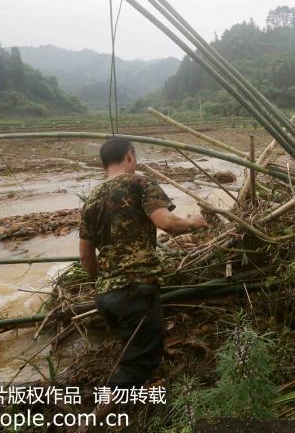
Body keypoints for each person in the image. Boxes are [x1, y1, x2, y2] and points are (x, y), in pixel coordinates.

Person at [78, 138, 207, 388]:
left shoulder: (91, 199)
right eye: (134, 158)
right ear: (129, 156)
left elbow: (85, 257)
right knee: (134, 369)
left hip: (106, 298)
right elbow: (166, 222)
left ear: (104, 163)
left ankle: (133, 398)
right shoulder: (140, 182)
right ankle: (103, 418)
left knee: (135, 353)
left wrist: (103, 282)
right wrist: (193, 222)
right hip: (136, 292)